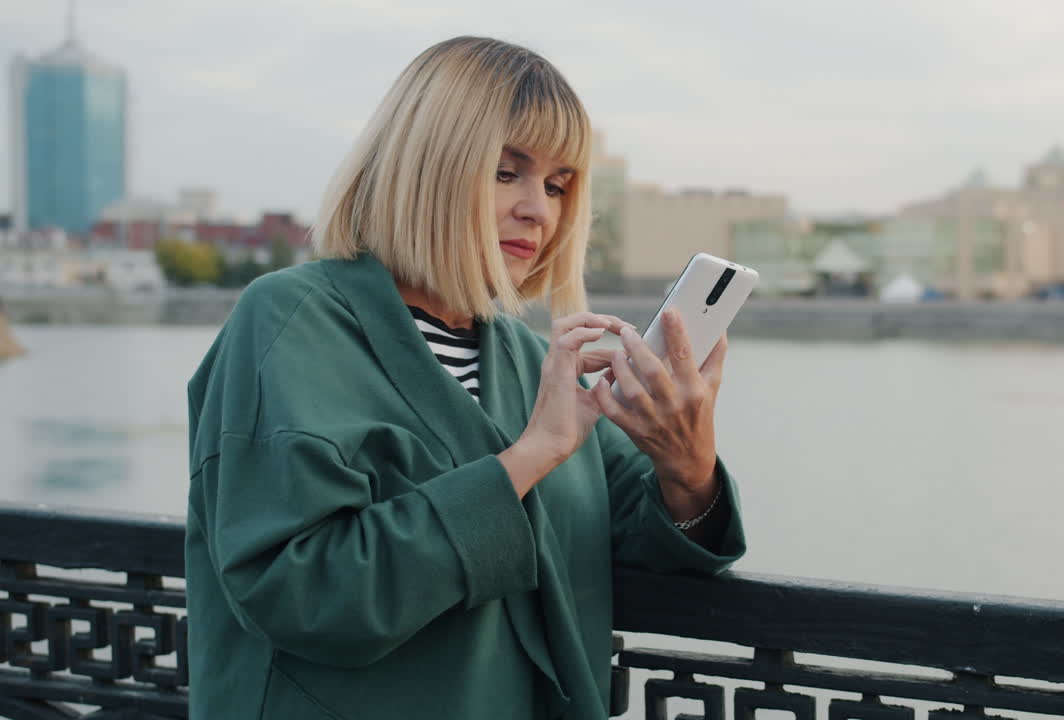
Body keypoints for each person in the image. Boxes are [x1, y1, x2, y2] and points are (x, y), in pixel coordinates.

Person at [185, 36, 745, 719]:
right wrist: (532, 455)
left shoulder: (525, 354)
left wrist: (687, 462)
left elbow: (653, 541)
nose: (539, 210)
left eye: (558, 185)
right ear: (422, 170)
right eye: (507, 173)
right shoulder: (291, 320)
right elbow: (302, 594)